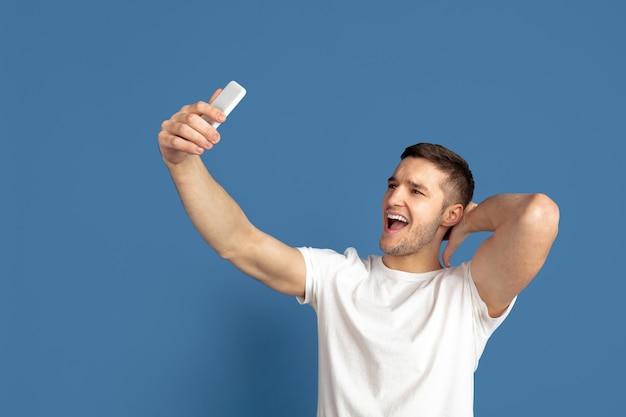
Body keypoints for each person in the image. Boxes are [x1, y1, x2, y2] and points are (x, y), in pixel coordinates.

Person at [157, 87, 560, 417]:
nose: (393, 197)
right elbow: (239, 242)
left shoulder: (467, 294)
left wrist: (469, 223)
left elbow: (538, 214)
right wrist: (181, 163)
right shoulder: (339, 277)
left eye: (416, 191)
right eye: (393, 184)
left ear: (449, 213)